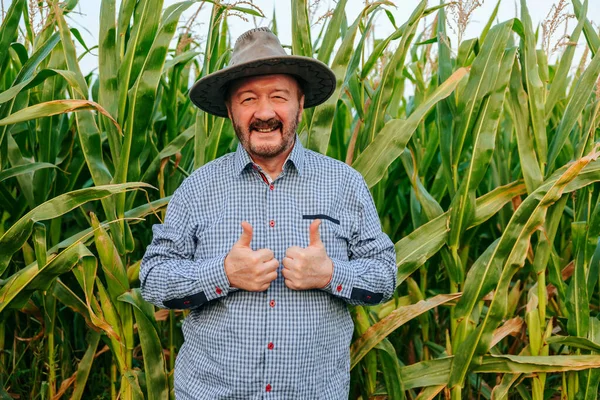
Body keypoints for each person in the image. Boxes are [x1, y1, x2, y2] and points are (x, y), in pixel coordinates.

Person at [140, 27, 397, 399]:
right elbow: (153, 280)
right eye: (247, 99)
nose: (264, 112)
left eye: (278, 96)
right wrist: (223, 273)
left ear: (300, 103)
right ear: (230, 110)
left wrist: (329, 273)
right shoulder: (199, 187)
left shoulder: (345, 185)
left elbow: (384, 277)